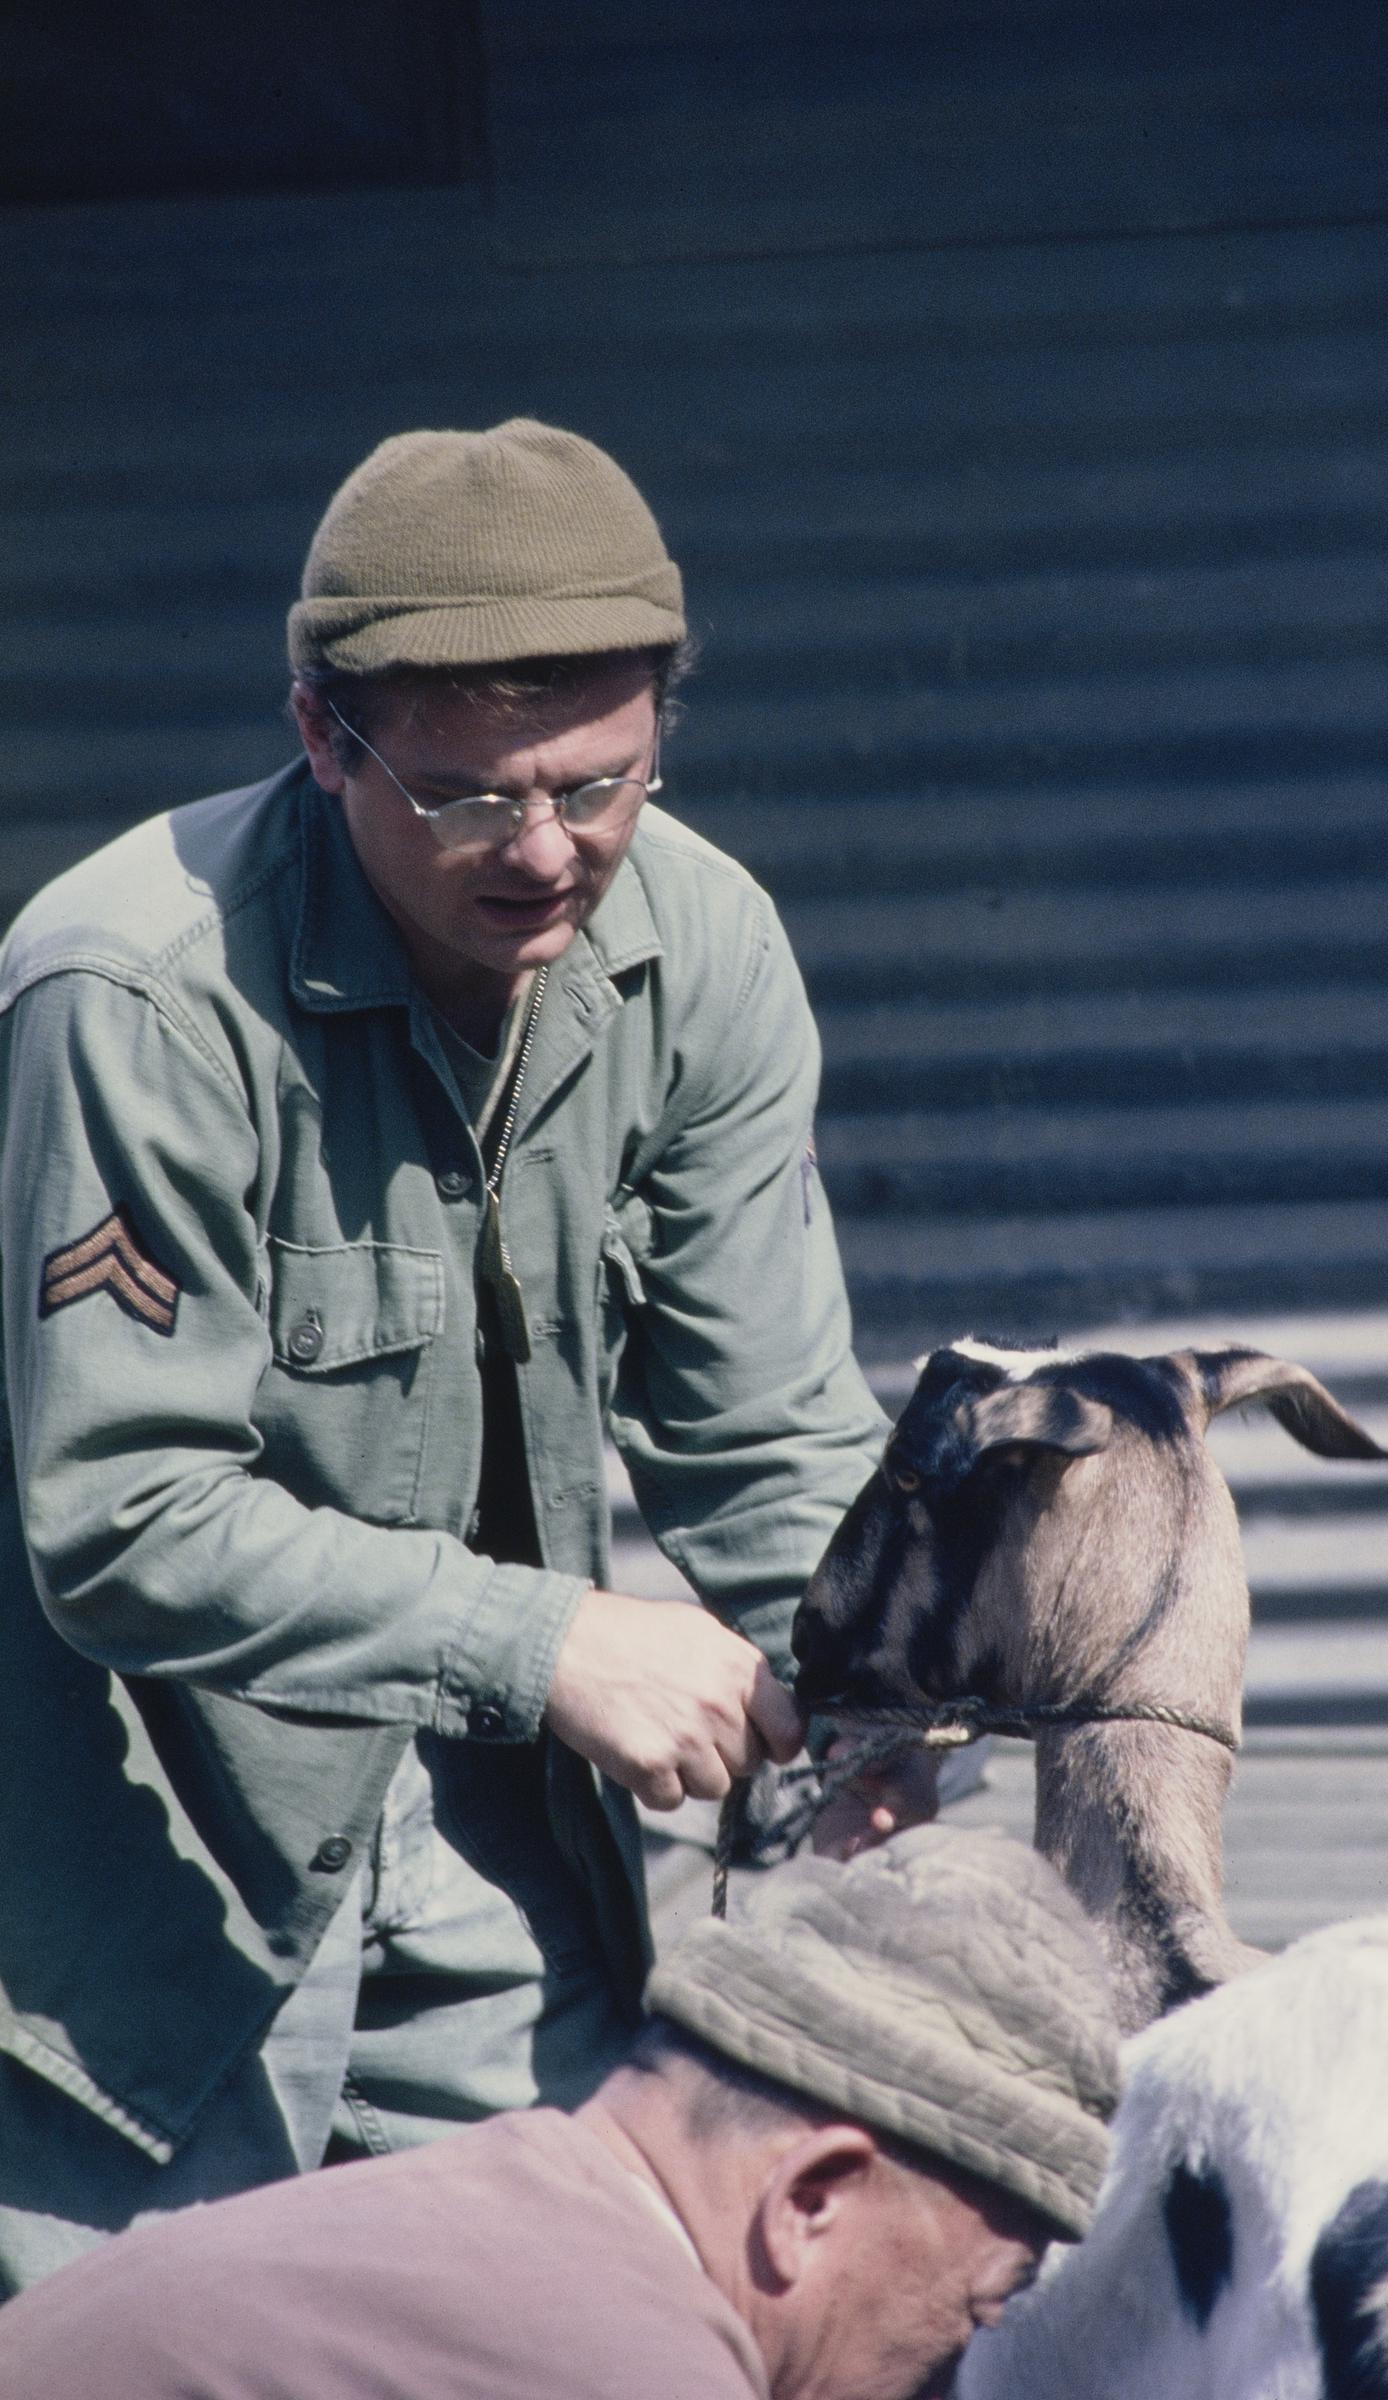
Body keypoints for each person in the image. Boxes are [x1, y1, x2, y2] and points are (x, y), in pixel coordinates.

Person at [0, 417, 914, 2294]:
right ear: (322, 734)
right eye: (469, 796)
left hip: (503, 1861)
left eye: (602, 780)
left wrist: (871, 1717)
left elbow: (762, 1436)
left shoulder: (703, 948)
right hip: (135, 1880)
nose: (549, 849)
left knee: (578, 2317)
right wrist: (549, 1638)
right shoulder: (134, 996)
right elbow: (122, 1520)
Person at [0, 1827, 1122, 2400]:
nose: (955, 2367)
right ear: (812, 2199)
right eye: (980, 2306)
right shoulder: (628, 2364)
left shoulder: (511, 2209)